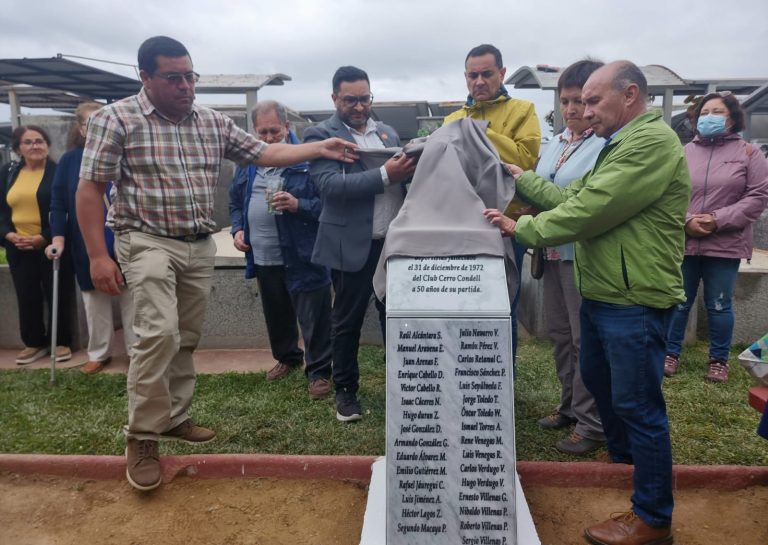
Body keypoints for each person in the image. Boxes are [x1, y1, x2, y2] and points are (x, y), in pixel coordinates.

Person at [76, 36, 356, 492]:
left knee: (184, 336)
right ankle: (143, 436)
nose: (186, 85)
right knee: (157, 334)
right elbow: (89, 190)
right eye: (174, 77)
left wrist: (318, 149)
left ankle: (175, 417)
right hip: (144, 239)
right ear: (145, 77)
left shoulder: (210, 122)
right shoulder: (117, 120)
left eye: (191, 76)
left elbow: (265, 153)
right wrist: (97, 255)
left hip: (197, 244)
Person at [485, 61, 689, 545]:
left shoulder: (649, 144)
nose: (584, 111)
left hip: (634, 296)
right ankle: (625, 471)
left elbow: (591, 208)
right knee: (602, 383)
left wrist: (522, 228)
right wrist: (522, 177)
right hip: (605, 292)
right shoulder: (617, 145)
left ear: (631, 95)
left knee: (639, 405)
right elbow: (573, 191)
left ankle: (653, 517)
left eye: (594, 101)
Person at [303, 66, 416, 423]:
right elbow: (329, 188)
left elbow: (402, 183)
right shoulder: (320, 135)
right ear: (334, 98)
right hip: (351, 244)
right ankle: (346, 391)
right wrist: (386, 175)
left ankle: (401, 385)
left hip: (392, 244)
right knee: (347, 322)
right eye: (349, 99)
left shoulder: (387, 132)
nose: (358, 105)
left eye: (364, 98)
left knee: (396, 319)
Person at [442, 44, 541, 361]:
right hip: (460, 230)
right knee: (462, 307)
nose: (479, 81)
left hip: (504, 230)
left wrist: (475, 133)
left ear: (502, 73)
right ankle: (464, 379)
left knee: (502, 308)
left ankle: (502, 388)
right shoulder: (453, 118)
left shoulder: (523, 110)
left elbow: (525, 160)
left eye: (487, 73)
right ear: (465, 77)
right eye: (473, 75)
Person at [229, 101, 333, 400]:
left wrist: (299, 205)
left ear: (288, 127)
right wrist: (237, 229)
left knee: (314, 316)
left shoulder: (308, 160)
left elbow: (329, 204)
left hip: (301, 253)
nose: (270, 137)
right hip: (263, 255)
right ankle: (287, 357)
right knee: (277, 314)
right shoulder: (247, 164)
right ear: (254, 131)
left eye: (275, 130)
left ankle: (319, 373)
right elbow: (235, 202)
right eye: (263, 131)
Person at [664, 92, 768, 383]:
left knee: (719, 304)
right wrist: (686, 222)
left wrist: (716, 220)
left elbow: (758, 196)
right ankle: (670, 354)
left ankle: (719, 360)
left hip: (726, 243)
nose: (709, 116)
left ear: (732, 118)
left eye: (717, 111)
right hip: (684, 241)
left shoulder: (749, 153)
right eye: (705, 112)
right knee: (679, 301)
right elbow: (669, 193)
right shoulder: (684, 153)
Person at [532, 60, 606, 456]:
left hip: (582, 255)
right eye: (566, 100)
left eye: (580, 100)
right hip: (553, 251)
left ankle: (591, 421)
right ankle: (568, 406)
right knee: (560, 336)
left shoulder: (604, 144)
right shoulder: (557, 144)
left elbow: (576, 201)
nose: (573, 109)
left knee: (583, 341)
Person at [45, 102, 137, 374]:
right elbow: (59, 201)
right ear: (81, 128)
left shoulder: (126, 153)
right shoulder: (70, 160)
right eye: (91, 124)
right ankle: (99, 352)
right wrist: (58, 238)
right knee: (93, 297)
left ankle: (136, 351)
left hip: (124, 236)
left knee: (133, 296)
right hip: (88, 239)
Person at [0, 125, 74, 365]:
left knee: (57, 291)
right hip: (18, 246)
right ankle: (33, 342)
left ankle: (60, 341)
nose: (35, 146)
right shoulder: (8, 172)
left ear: (47, 145)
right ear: (18, 148)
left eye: (40, 141)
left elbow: (65, 209)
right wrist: (8, 235)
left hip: (50, 244)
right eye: (29, 142)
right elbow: (2, 209)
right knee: (26, 293)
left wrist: (45, 236)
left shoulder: (57, 172)